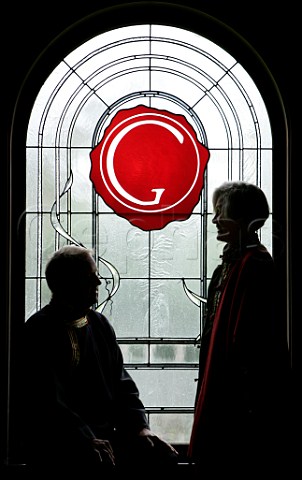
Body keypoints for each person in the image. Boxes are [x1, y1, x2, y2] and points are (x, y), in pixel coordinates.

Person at [19, 245, 178, 478]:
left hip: (106, 436)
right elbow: (46, 402)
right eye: (91, 276)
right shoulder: (40, 330)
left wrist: (140, 427)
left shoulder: (99, 324)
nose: (99, 283)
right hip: (62, 443)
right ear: (69, 282)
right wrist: (84, 439)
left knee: (163, 456)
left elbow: (122, 385)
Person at [187, 181, 292, 477]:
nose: (216, 219)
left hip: (239, 406)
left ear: (244, 219)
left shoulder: (254, 265)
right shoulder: (229, 266)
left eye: (222, 211)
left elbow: (251, 343)